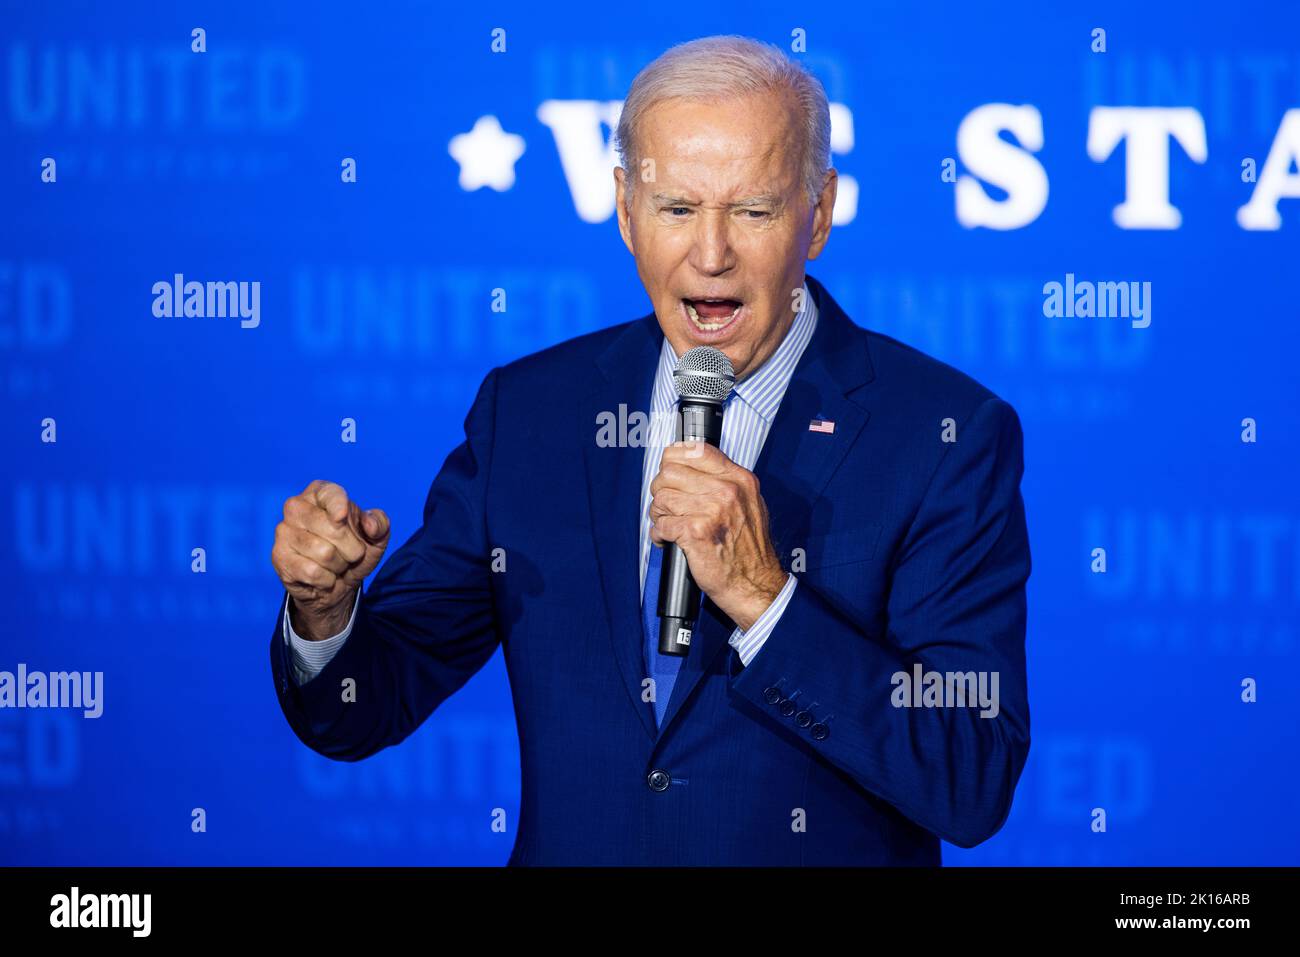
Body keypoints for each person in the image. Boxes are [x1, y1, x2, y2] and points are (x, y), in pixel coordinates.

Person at [269, 34, 1031, 865]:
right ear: (626, 210)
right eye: (676, 209)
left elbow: (971, 771)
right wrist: (326, 615)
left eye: (753, 210)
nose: (711, 254)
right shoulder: (532, 414)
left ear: (819, 215)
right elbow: (360, 707)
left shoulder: (942, 434)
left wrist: (764, 599)